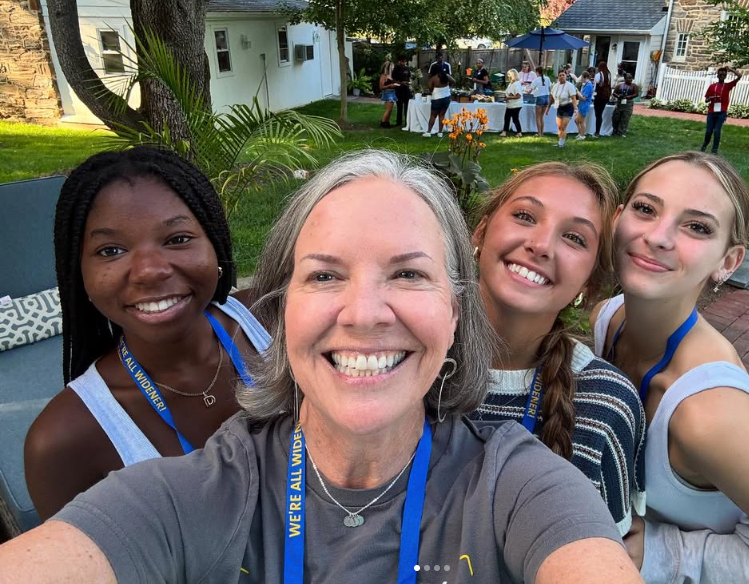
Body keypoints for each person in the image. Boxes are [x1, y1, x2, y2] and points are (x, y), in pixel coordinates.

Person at [0, 150, 644, 584]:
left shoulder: (520, 482)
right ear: (283, 313)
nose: (364, 312)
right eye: (326, 274)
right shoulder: (192, 494)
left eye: (409, 273)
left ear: (456, 312)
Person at [593, 152, 749, 582]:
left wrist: (663, 552)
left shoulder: (709, 415)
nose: (659, 236)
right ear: (618, 218)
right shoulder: (608, 320)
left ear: (728, 262)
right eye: (646, 209)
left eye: (697, 227)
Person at [23, 147, 270, 521]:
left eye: (177, 239)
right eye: (111, 250)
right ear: (80, 275)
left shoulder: (276, 320)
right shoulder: (64, 440)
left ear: (215, 244)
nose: (149, 271)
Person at [470, 162, 646, 534]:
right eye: (524, 215)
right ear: (480, 232)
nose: (541, 245)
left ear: (590, 282)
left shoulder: (606, 405)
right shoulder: (404, 358)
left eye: (574, 238)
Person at [702, 66, 743, 154]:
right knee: (709, 131)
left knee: (717, 131)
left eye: (724, 75)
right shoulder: (712, 86)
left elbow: (739, 76)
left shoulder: (728, 86)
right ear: (717, 75)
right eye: (720, 74)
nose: (722, 76)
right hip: (712, 112)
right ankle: (704, 146)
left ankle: (714, 150)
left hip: (722, 112)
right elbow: (706, 99)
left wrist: (731, 70)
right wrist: (710, 98)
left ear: (725, 76)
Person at [423, 54, 454, 138]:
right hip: (446, 97)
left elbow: (430, 88)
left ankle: (429, 132)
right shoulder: (446, 76)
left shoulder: (433, 78)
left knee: (433, 115)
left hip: (436, 98)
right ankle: (440, 132)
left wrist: (434, 90)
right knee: (442, 115)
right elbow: (454, 81)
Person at [550, 70, 578, 148]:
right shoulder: (555, 85)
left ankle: (561, 144)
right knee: (559, 127)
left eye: (563, 75)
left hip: (568, 106)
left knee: (563, 126)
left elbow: (573, 98)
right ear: (558, 77)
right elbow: (551, 97)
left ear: (566, 76)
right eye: (560, 75)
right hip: (559, 106)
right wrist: (548, 107)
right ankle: (560, 141)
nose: (561, 77)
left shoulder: (570, 85)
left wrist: (575, 109)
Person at [611, 73, 639, 138]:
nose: (631, 79)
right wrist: (618, 96)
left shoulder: (634, 86)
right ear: (625, 79)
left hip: (628, 103)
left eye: (631, 78)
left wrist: (629, 97)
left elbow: (636, 94)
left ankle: (622, 132)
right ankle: (615, 130)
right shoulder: (619, 85)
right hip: (619, 103)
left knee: (625, 118)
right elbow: (614, 93)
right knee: (616, 117)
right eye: (629, 78)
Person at [391, 54, 412, 130]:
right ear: (399, 61)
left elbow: (409, 77)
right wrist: (400, 83)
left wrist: (408, 83)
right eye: (402, 62)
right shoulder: (396, 69)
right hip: (399, 89)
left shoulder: (407, 68)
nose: (404, 63)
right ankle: (398, 121)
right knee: (399, 106)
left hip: (406, 89)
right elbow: (393, 80)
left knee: (407, 106)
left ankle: (407, 121)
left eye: (405, 62)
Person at [501, 68, 523, 138]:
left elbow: (518, 95)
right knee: (509, 118)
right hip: (511, 104)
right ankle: (507, 131)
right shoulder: (511, 83)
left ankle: (517, 132)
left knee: (514, 119)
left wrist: (508, 98)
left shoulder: (516, 84)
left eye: (509, 74)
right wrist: (507, 97)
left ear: (513, 75)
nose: (508, 76)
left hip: (515, 105)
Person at [530, 66, 551, 137]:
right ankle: (542, 132)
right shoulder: (547, 78)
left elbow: (531, 89)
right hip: (546, 97)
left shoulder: (536, 80)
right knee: (542, 117)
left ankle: (539, 133)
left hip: (540, 98)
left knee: (538, 117)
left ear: (537, 72)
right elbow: (550, 88)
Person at [379, 61, 399, 129]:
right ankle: (383, 121)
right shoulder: (383, 76)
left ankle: (387, 122)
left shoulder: (391, 76)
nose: (393, 69)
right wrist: (390, 85)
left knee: (390, 109)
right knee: (388, 109)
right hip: (387, 93)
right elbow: (381, 87)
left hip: (392, 92)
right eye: (392, 67)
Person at [594, 60, 612, 138]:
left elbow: (595, 86)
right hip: (606, 96)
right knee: (600, 113)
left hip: (599, 96)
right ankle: (598, 131)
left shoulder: (598, 75)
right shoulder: (609, 74)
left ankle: (597, 132)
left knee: (598, 114)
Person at [575, 71, 594, 141]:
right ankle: (580, 133)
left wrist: (577, 92)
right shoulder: (586, 85)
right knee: (577, 120)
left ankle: (582, 135)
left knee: (581, 121)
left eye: (581, 77)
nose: (581, 79)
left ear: (585, 77)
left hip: (584, 105)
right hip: (582, 105)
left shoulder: (588, 85)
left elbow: (584, 98)